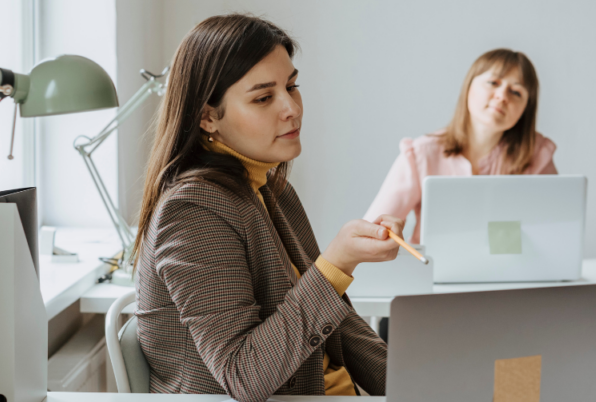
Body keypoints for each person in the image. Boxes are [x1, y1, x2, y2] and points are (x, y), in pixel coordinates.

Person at [131, 14, 399, 402]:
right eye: (263, 97)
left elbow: (339, 327)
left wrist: (422, 384)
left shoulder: (271, 188)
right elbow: (245, 375)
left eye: (292, 86)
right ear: (208, 117)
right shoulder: (192, 211)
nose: (291, 108)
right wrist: (336, 265)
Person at [364, 49, 558, 244]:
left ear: (526, 109)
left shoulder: (538, 156)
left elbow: (555, 232)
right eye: (493, 83)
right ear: (468, 86)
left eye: (516, 92)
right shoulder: (421, 154)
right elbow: (371, 232)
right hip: (430, 271)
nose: (502, 96)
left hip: (510, 272)